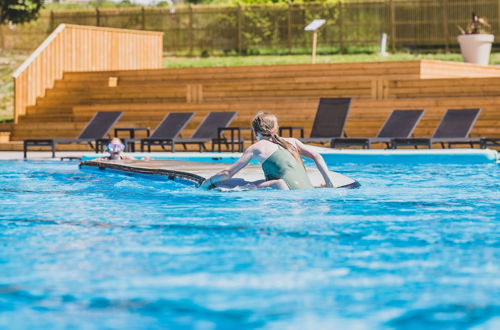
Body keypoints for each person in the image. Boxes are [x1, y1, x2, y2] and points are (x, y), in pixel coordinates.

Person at [200, 112, 334, 190]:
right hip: (307, 189)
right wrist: (328, 183)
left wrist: (207, 183)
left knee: (234, 184)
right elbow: (316, 156)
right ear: (276, 128)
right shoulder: (292, 141)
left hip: (282, 187)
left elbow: (227, 173)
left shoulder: (256, 148)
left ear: (254, 131)